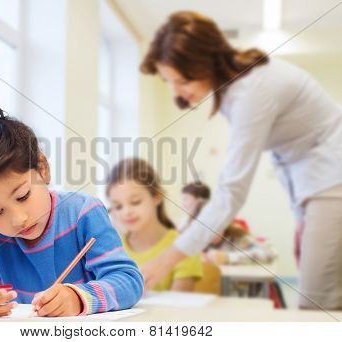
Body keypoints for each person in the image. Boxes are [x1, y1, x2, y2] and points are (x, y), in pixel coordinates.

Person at [140, 11, 342, 310]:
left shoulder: (252, 91)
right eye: (169, 81)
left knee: (317, 302)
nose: (175, 92)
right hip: (317, 184)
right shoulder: (236, 89)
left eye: (181, 80)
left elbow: (231, 192)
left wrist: (165, 261)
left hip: (332, 178)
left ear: (206, 62)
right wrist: (302, 215)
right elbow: (289, 153)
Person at [0, 99, 143, 317]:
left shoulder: (83, 213)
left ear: (43, 169)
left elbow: (128, 280)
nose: (18, 219)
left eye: (23, 196)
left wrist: (78, 297)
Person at [106, 157, 202, 292]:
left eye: (135, 202)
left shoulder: (183, 247)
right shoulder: (111, 248)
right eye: (118, 206)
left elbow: (179, 309)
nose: (126, 212)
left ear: (157, 197)